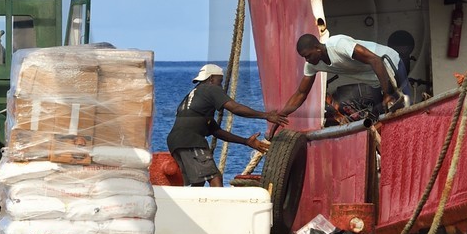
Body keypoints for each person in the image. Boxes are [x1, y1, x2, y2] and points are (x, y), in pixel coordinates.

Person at [166, 63, 277, 187]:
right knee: (214, 176)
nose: (221, 86)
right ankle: (220, 205)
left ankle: (197, 206)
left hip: (176, 141)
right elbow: (235, 108)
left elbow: (216, 131)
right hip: (191, 141)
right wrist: (266, 115)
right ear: (211, 78)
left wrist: (246, 141)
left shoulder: (195, 95)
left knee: (199, 181)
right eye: (220, 81)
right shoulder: (211, 88)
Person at [271, 33, 405, 127]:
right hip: (375, 80)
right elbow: (301, 93)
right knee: (380, 117)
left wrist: (387, 94)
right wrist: (281, 115)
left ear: (317, 48)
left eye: (308, 56)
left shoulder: (338, 45)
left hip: (390, 62)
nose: (307, 60)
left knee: (405, 106)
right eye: (304, 58)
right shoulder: (312, 65)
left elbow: (375, 60)